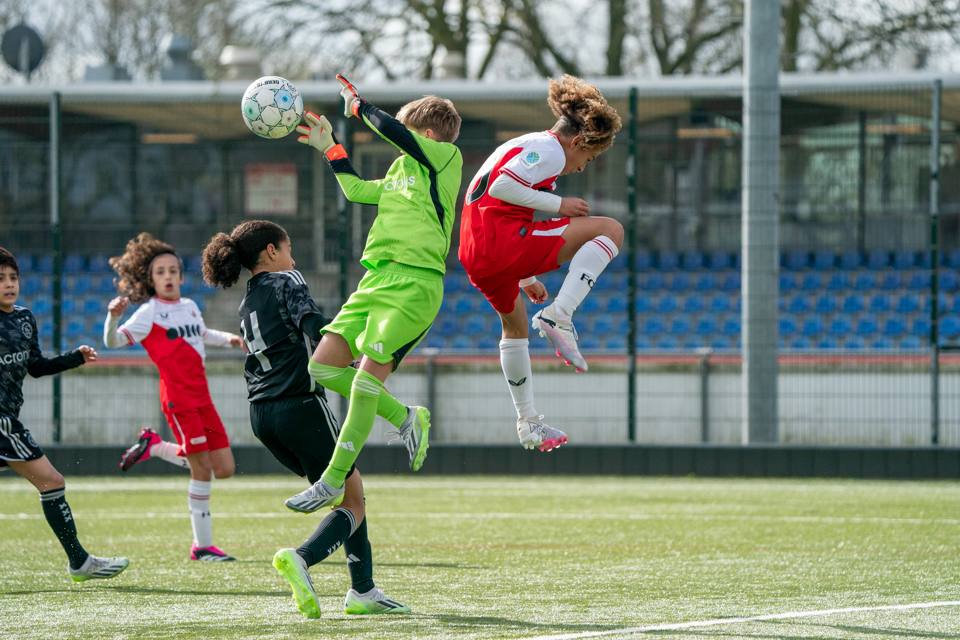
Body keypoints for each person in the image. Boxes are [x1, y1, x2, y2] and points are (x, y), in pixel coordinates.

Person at [202, 219, 411, 618]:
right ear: (271, 252)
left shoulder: (247, 299)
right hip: (299, 405)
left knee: (349, 494)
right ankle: (303, 558)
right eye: (289, 246)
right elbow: (310, 323)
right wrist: (345, 354)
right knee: (351, 498)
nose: (293, 256)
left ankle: (363, 590)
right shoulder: (287, 279)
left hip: (262, 415)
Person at [287, 75, 462, 511]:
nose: (398, 141)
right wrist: (331, 148)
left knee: (364, 383)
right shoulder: (403, 171)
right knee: (323, 367)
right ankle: (405, 417)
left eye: (406, 132)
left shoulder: (445, 158)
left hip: (415, 284)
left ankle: (331, 479)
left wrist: (359, 106)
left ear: (424, 135)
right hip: (375, 281)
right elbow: (357, 190)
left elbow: (397, 131)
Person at [458, 74, 623, 451]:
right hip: (499, 245)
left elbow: (502, 202)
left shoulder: (527, 146)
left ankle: (528, 422)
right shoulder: (546, 149)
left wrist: (526, 277)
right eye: (588, 158)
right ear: (577, 141)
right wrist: (559, 204)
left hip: (477, 254)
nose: (582, 168)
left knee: (515, 329)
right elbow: (501, 187)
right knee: (611, 231)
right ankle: (558, 315)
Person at [103, 233, 243, 561]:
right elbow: (111, 343)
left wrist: (231, 340)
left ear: (181, 275)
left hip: (203, 396)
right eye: (159, 272)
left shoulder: (190, 307)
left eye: (172, 270)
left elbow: (203, 334)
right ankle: (203, 546)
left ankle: (154, 446)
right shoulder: (149, 313)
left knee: (224, 468)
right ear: (151, 281)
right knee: (203, 470)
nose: (167, 276)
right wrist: (113, 316)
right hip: (178, 398)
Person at [0, 247, 129, 582]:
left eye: (13, 277)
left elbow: (37, 367)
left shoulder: (24, 319)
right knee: (52, 481)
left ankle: (79, 562)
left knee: (51, 483)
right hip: (1, 422)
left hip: (8, 418)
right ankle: (80, 562)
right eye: (0, 279)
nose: (9, 284)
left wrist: (74, 357)